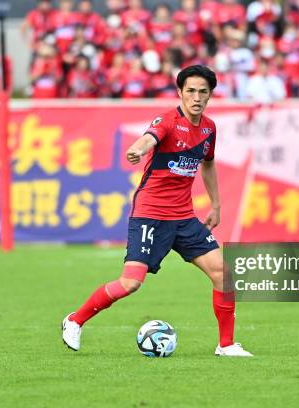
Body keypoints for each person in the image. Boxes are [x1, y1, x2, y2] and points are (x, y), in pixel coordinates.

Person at [62, 65, 253, 357]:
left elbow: (209, 163)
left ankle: (225, 345)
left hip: (184, 217)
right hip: (150, 213)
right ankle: (75, 320)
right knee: (131, 282)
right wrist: (139, 150)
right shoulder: (167, 120)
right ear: (180, 93)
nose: (196, 97)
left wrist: (215, 204)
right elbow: (149, 137)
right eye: (190, 91)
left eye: (203, 92)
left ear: (211, 95)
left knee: (223, 274)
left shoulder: (209, 128)